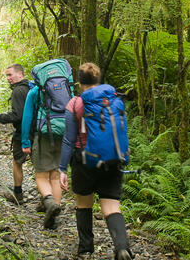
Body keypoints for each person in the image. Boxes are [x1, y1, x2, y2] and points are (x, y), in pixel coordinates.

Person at [59, 62, 134, 259]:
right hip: (112, 159)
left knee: (84, 203)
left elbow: (69, 139)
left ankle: (85, 249)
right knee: (111, 206)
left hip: (84, 161)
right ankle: (122, 248)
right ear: (98, 79)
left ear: (79, 82)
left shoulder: (75, 103)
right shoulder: (113, 99)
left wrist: (62, 169)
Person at [20, 76, 66, 230]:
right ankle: (55, 210)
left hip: (43, 136)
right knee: (55, 175)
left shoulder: (35, 91)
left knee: (41, 175)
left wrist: (25, 142)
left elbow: (26, 118)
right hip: (62, 135)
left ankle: (50, 203)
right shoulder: (64, 90)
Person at [0, 64, 30, 204]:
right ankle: (47, 200)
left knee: (17, 162)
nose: (8, 78)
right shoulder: (31, 88)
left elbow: (17, 116)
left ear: (20, 74)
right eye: (7, 75)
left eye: (10, 75)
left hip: (23, 133)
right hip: (38, 131)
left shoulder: (18, 91)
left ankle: (18, 194)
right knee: (40, 167)